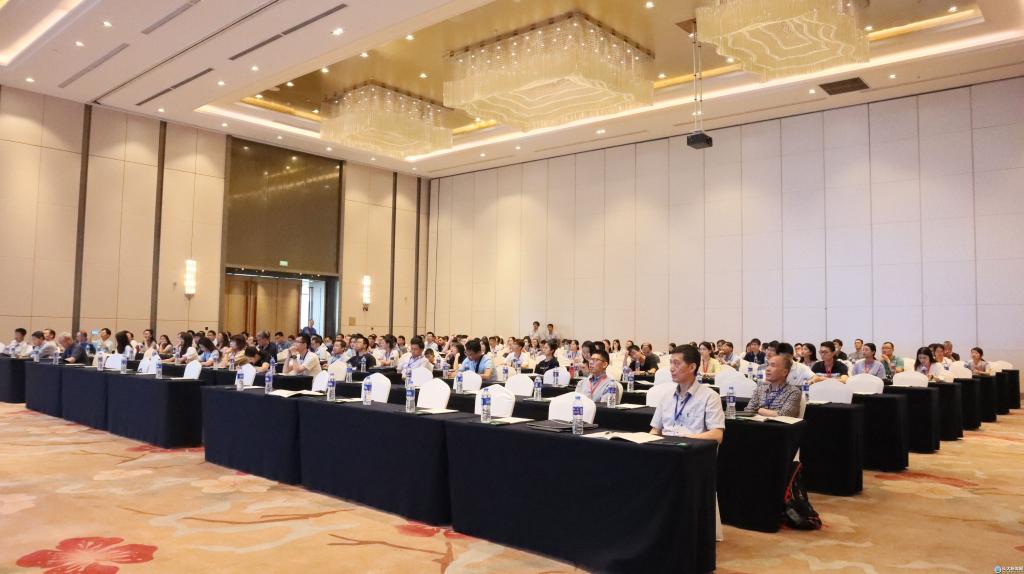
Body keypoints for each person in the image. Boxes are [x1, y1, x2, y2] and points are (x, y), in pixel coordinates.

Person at [649, 344, 725, 442]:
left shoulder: (710, 397)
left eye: (676, 363)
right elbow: (655, 430)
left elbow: (717, 435)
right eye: (671, 363)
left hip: (691, 448)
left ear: (692, 367)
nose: (671, 368)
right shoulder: (666, 396)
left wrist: (682, 439)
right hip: (665, 448)